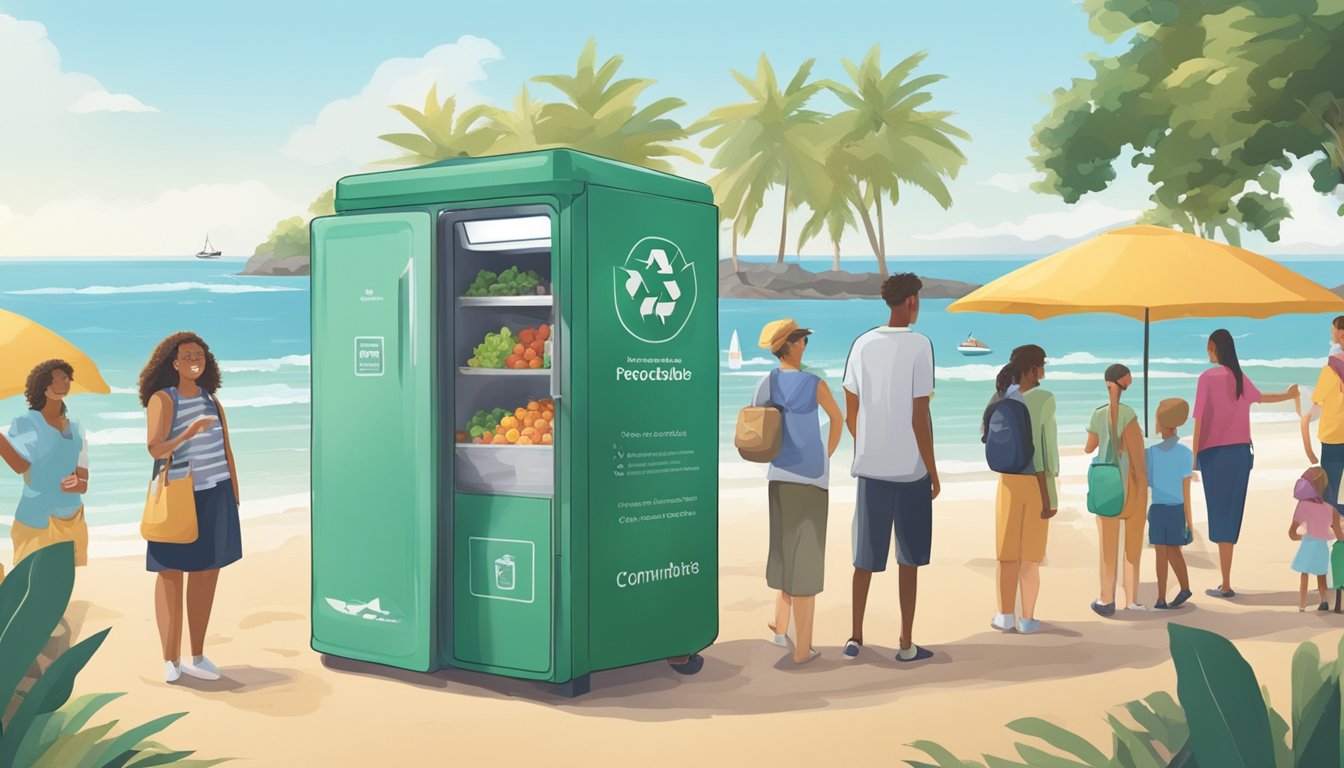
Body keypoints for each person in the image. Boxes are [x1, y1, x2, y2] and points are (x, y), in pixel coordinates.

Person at [840, 273, 938, 663]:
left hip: (871, 468)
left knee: (864, 559)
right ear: (912, 301)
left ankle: (855, 637)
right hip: (910, 471)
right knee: (908, 561)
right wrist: (932, 468)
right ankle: (905, 643)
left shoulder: (862, 344)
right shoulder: (919, 346)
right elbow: (920, 415)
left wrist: (868, 443)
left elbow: (851, 411)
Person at [139, 332, 241, 683]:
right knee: (170, 575)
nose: (194, 360)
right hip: (180, 495)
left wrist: (235, 494)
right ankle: (171, 658)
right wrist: (188, 433)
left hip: (217, 493)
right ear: (174, 362)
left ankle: (197, 654)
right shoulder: (163, 400)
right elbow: (155, 449)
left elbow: (225, 447)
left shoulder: (211, 400)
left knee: (207, 573)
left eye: (200, 354)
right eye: (187, 355)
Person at [752, 319, 843, 665]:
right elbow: (838, 419)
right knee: (806, 560)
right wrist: (826, 453)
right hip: (810, 479)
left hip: (779, 475)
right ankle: (803, 650)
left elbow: (756, 422)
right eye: (803, 339)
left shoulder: (766, 382)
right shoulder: (813, 383)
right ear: (790, 344)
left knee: (785, 551)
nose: (806, 344)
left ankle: (780, 630)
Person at [1193, 328, 1299, 599]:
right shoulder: (1239, 377)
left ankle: (1226, 583)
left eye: (1209, 346)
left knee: (1218, 514)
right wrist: (1289, 395)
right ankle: (1226, 582)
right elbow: (1263, 398)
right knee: (1230, 514)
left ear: (1216, 347)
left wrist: (1193, 457)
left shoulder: (1206, 378)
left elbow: (1199, 420)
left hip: (1214, 456)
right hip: (1240, 455)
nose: (1207, 351)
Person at [987, 345, 1058, 635]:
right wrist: (1049, 494)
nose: (1043, 371)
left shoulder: (1000, 395)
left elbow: (985, 435)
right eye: (1042, 365)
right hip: (1034, 483)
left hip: (1007, 483)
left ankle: (1005, 615)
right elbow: (1045, 450)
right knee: (1030, 558)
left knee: (1006, 555)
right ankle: (1027, 618)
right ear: (1032, 369)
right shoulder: (1044, 399)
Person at [0, 360, 90, 582]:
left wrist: (78, 484)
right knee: (30, 577)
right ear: (41, 386)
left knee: (61, 578)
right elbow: (21, 466)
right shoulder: (26, 422)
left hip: (71, 515)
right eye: (53, 379)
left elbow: (83, 478)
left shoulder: (77, 427)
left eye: (65, 378)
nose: (60, 383)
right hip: (36, 516)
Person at [1084, 364, 1149, 614]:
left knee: (1107, 548)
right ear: (1124, 382)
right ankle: (1131, 600)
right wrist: (1144, 490)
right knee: (1131, 549)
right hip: (1131, 486)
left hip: (1106, 486)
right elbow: (1138, 459)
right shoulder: (1129, 415)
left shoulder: (1098, 414)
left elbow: (1089, 448)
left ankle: (1105, 599)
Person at [1146, 398, 1194, 609]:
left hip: (1158, 508)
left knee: (1162, 553)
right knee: (1173, 550)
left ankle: (1162, 597)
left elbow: (1147, 482)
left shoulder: (1151, 454)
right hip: (1175, 508)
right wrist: (1189, 522)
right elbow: (1186, 492)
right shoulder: (1185, 453)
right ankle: (1180, 589)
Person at [1288, 466, 1344, 612]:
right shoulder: (1330, 509)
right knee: (1321, 575)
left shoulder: (1302, 506)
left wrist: (1304, 536)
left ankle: (1302, 604)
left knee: (1304, 575)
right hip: (1322, 546)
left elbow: (1292, 533)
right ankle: (1323, 601)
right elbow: (1339, 535)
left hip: (1307, 544)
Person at [1303, 316, 1344, 512]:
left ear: (1341, 334)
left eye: (1332, 331)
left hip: (1334, 437)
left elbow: (1316, 404)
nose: (1331, 334)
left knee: (1330, 491)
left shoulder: (1330, 370)